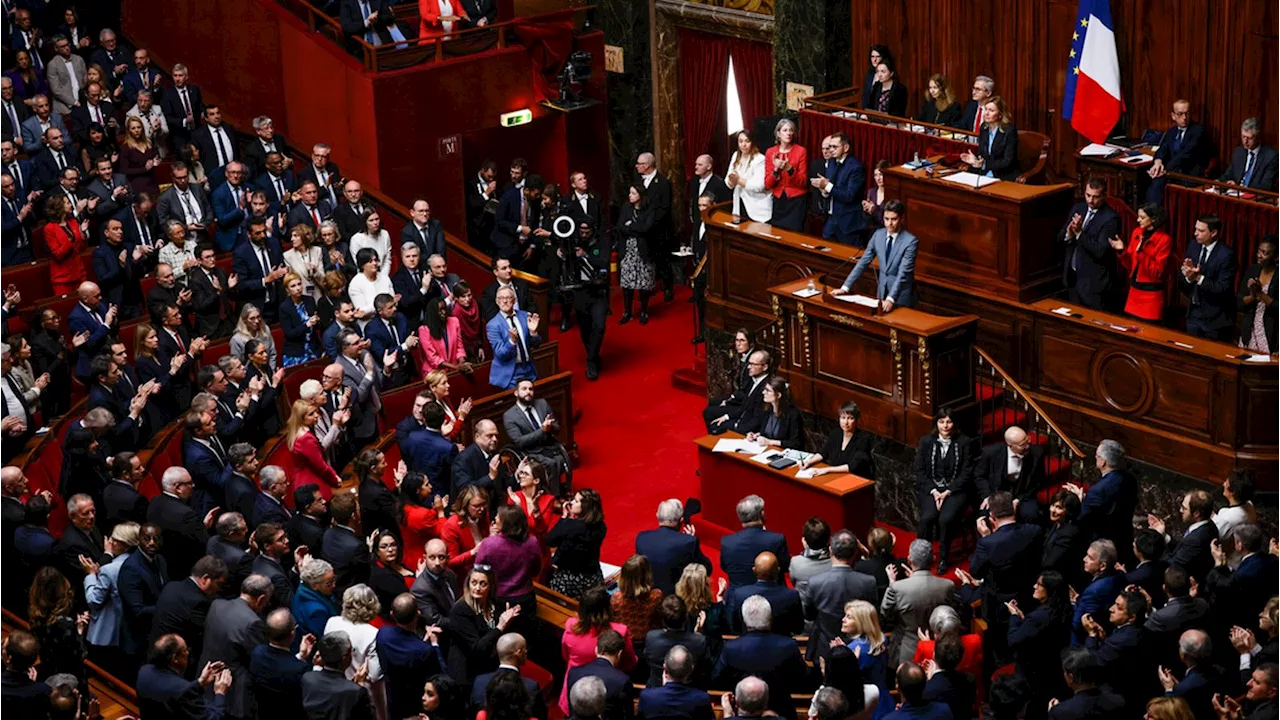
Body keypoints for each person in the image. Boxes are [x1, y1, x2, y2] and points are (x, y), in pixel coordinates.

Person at [913, 407, 974, 573]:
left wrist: (947, 492)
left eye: (949, 421)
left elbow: (967, 472)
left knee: (945, 520)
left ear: (954, 424)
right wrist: (934, 491)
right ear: (936, 423)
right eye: (941, 421)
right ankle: (921, 557)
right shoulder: (926, 441)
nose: (945, 425)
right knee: (927, 518)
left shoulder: (964, 442)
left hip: (955, 491)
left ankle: (943, 558)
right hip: (930, 489)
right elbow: (919, 470)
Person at [803, 529, 878, 660]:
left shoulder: (815, 582)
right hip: (859, 648)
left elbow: (809, 615)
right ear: (855, 552)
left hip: (824, 647)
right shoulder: (869, 582)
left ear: (830, 550)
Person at [1007, 571, 1073, 715]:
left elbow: (1014, 640)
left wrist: (1014, 618)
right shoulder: (1066, 609)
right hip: (1053, 668)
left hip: (1032, 670)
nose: (1034, 586)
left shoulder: (1037, 617)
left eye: (1039, 584)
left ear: (1050, 589)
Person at [833, 199, 918, 311]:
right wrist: (845, 288)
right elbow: (863, 262)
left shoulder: (910, 241)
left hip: (901, 298)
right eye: (886, 219)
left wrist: (890, 299)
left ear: (901, 219)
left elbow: (903, 274)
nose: (889, 223)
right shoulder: (878, 235)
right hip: (881, 294)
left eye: (894, 219)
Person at [881, 539, 956, 665]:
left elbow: (886, 614)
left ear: (909, 560)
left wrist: (892, 585)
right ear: (933, 559)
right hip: (939, 649)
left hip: (907, 650)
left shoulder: (897, 588)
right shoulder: (948, 586)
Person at [445, 566, 521, 682]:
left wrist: (509, 619)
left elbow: (500, 635)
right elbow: (477, 649)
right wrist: (500, 626)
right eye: (473, 583)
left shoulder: (495, 604)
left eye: (483, 584)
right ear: (468, 584)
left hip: (491, 662)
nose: (477, 588)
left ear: (490, 586)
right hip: (468, 669)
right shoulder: (460, 610)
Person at [475, 506, 542, 636]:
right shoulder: (532, 542)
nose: (495, 519)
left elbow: (478, 570)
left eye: (498, 517)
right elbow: (536, 570)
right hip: (525, 599)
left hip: (497, 599)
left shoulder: (489, 544)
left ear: (506, 523)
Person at [323, 584, 387, 717]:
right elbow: (375, 675)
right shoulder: (373, 633)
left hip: (331, 686)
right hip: (362, 691)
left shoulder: (332, 622)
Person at [378, 593, 446, 719]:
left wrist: (422, 644)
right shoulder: (425, 651)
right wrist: (434, 644)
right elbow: (440, 674)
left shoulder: (383, 634)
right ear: (418, 614)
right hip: (417, 706)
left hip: (393, 702)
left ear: (392, 614)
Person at [137, 634, 233, 720]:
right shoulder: (182, 690)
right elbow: (214, 718)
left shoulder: (144, 671)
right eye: (185, 650)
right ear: (175, 659)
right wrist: (220, 692)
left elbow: (173, 695)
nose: (188, 653)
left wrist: (200, 683)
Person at [1108, 202, 1174, 322]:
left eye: (1142, 217)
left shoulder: (1164, 240)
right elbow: (1130, 265)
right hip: (1134, 292)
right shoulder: (1137, 233)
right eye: (1138, 216)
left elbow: (1158, 272)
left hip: (1151, 296)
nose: (1138, 220)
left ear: (1153, 219)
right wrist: (1122, 250)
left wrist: (1141, 255)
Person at [1178, 213, 1240, 342]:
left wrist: (1198, 278)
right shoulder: (1193, 246)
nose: (1195, 233)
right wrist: (1188, 277)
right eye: (1196, 229)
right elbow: (1183, 278)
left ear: (1213, 233)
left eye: (1201, 230)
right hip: (1194, 313)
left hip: (1216, 319)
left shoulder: (1226, 255)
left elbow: (1222, 288)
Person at [829, 599, 893, 718]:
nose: (843, 619)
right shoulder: (880, 639)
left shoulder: (855, 649)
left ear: (861, 622)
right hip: (884, 701)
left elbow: (843, 682)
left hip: (865, 705)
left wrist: (842, 656)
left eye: (849, 617)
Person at [249, 608, 317, 719]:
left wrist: (301, 655)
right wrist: (313, 664)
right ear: (293, 633)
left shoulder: (257, 653)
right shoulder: (299, 668)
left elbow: (282, 667)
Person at [635, 498, 712, 596]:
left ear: (657, 516)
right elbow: (706, 569)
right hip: (676, 601)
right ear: (681, 520)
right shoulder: (688, 542)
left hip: (647, 596)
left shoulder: (641, 538)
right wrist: (689, 539)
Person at [975, 425, 1046, 524]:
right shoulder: (990, 453)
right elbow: (980, 476)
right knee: (986, 517)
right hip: (996, 494)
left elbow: (1038, 481)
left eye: (1027, 440)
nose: (1027, 446)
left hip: (1023, 494)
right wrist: (988, 496)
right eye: (1022, 444)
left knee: (1031, 515)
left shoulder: (1037, 453)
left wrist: (1019, 499)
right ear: (1010, 445)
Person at [300, 631, 377, 720]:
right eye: (351, 651)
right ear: (345, 658)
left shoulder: (307, 678)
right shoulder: (356, 691)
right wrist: (360, 684)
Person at [545, 488, 606, 599]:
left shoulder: (571, 526)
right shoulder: (601, 526)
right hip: (593, 577)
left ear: (585, 507)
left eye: (576, 501)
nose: (571, 502)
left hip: (570, 581)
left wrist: (564, 518)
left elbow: (550, 540)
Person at [1147, 99, 1211, 203]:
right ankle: (1150, 214)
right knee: (1153, 183)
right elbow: (1163, 148)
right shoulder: (1172, 131)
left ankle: (1152, 215)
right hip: (1172, 172)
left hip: (1189, 174)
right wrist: (1157, 162)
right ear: (1173, 116)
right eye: (1180, 114)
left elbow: (1185, 154)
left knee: (1157, 183)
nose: (1184, 118)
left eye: (1187, 113)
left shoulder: (1198, 131)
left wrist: (1165, 170)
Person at [720, 494, 789, 588]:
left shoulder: (727, 542)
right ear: (762, 514)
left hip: (736, 598)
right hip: (770, 595)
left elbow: (725, 567)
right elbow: (784, 567)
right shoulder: (776, 540)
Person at [812, 132, 867, 247]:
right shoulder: (832, 163)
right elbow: (831, 189)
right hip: (831, 219)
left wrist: (827, 186)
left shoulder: (856, 167)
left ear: (846, 148)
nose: (831, 150)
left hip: (848, 223)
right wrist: (823, 190)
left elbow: (849, 195)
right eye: (829, 146)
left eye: (834, 147)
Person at [704, 348, 772, 434]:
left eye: (753, 364)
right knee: (713, 422)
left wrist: (737, 426)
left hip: (747, 427)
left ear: (765, 367)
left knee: (715, 427)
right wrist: (726, 417)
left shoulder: (766, 388)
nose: (748, 367)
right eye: (749, 363)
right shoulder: (753, 379)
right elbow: (744, 405)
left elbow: (757, 419)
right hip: (742, 416)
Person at [616, 182, 657, 324]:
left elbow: (647, 228)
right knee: (627, 283)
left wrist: (631, 225)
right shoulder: (626, 208)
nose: (630, 196)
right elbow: (621, 227)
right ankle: (627, 311)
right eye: (630, 193)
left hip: (644, 251)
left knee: (643, 283)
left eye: (633, 193)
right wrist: (635, 227)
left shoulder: (649, 209)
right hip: (628, 250)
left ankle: (644, 310)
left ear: (640, 195)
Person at [486, 285, 542, 389]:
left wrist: (533, 333)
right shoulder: (493, 325)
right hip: (510, 374)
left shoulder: (525, 316)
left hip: (529, 368)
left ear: (514, 300)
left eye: (508, 298)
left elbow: (537, 344)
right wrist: (512, 341)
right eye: (501, 298)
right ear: (497, 301)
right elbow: (501, 354)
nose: (505, 301)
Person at [801, 401, 875, 479]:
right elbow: (823, 453)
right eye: (843, 417)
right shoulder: (835, 434)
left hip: (855, 479)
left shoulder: (863, 439)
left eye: (850, 418)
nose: (846, 422)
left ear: (856, 420)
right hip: (836, 475)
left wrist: (827, 470)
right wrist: (808, 462)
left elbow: (852, 467)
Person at [638, 645, 714, 720]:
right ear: (691, 669)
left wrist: (665, 687)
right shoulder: (702, 699)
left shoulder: (647, 697)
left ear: (665, 668)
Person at [285, 399, 342, 498]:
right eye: (311, 414)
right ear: (301, 419)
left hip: (303, 481)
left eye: (315, 412)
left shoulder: (296, 432)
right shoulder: (306, 439)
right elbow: (321, 466)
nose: (316, 415)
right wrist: (335, 479)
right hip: (311, 484)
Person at [960, 96, 1019, 180]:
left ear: (1000, 114)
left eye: (991, 110)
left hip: (1003, 175)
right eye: (986, 109)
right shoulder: (984, 128)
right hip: (985, 174)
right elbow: (982, 155)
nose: (986, 113)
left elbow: (1007, 161)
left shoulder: (1009, 131)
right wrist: (975, 160)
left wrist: (984, 165)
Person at [741, 376, 804, 450]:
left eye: (768, 390)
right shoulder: (766, 409)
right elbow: (761, 431)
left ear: (778, 395)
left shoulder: (793, 414)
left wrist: (770, 442)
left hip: (782, 452)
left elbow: (796, 443)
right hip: (765, 450)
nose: (763, 392)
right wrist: (754, 435)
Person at [441, 485, 490, 577]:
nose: (482, 509)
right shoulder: (451, 525)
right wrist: (473, 552)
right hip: (464, 576)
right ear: (465, 506)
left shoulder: (484, 516)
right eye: (476, 506)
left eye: (484, 504)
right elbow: (450, 562)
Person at [1239, 236, 1277, 353]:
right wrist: (1253, 295)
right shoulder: (1253, 270)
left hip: (1270, 336)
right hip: (1249, 333)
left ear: (1276, 256)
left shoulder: (1278, 276)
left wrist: (1261, 294)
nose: (1259, 255)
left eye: (1264, 253)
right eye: (1259, 251)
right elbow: (1239, 303)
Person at [45, 194, 87, 296]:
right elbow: (58, 254)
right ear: (59, 207)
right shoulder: (49, 228)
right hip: (62, 278)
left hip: (79, 273)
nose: (71, 205)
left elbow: (81, 249)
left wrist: (83, 234)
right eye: (68, 203)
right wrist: (70, 241)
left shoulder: (73, 222)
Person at [1220, 118, 1278, 190]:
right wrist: (1219, 182)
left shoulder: (1271, 156)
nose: (1245, 141)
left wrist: (1240, 188)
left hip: (1254, 198)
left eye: (1249, 138)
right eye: (1243, 137)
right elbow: (1227, 175)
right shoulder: (1238, 152)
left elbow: (1266, 186)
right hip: (1234, 195)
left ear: (1257, 137)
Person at [412, 539, 459, 626]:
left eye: (441, 557)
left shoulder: (450, 574)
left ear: (447, 558)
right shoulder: (420, 589)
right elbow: (435, 620)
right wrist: (462, 623)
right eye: (432, 558)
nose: (437, 563)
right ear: (425, 558)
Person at [726, 130, 770, 224]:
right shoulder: (735, 156)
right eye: (741, 141)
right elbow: (728, 182)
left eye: (747, 141)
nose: (743, 145)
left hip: (757, 208)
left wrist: (738, 180)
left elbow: (759, 186)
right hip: (739, 205)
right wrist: (732, 181)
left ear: (752, 142)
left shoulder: (760, 159)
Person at [293, 558, 340, 641]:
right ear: (314, 586)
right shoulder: (317, 611)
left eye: (333, 579)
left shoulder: (303, 587)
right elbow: (326, 639)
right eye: (329, 583)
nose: (334, 585)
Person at [119, 115, 160, 196]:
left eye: (139, 127)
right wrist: (144, 169)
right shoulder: (125, 147)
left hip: (151, 180)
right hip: (137, 183)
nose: (136, 130)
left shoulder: (148, 143)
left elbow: (156, 157)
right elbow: (125, 170)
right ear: (129, 130)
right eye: (133, 128)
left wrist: (156, 162)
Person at [861, 160, 891, 231]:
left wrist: (873, 209)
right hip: (871, 232)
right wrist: (866, 209)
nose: (878, 178)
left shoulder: (891, 195)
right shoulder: (871, 192)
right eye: (875, 175)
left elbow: (887, 221)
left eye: (881, 174)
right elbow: (866, 219)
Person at [860, 46, 893, 110]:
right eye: (872, 57)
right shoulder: (870, 74)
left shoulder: (888, 76)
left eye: (877, 57)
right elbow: (865, 95)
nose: (874, 60)